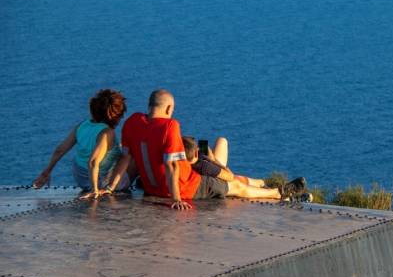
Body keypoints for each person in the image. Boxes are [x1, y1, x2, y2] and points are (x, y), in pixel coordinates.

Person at [106, 89, 306, 210]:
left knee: (232, 179)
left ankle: (267, 185)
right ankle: (278, 193)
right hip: (187, 186)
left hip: (154, 187)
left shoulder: (132, 122)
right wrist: (176, 199)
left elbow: (126, 159)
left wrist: (108, 189)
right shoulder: (169, 126)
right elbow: (172, 166)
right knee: (235, 187)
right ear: (168, 108)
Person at [33, 89, 130, 198]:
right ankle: (117, 186)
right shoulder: (106, 133)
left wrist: (47, 171)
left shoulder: (82, 125)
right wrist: (95, 190)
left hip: (81, 179)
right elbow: (93, 162)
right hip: (100, 181)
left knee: (119, 149)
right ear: (115, 116)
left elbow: (60, 150)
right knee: (128, 155)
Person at [182, 136, 311, 201]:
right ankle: (278, 193)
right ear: (195, 153)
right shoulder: (204, 165)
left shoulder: (186, 165)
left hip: (207, 174)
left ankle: (263, 183)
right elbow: (230, 176)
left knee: (222, 141)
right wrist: (213, 160)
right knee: (237, 183)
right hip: (214, 173)